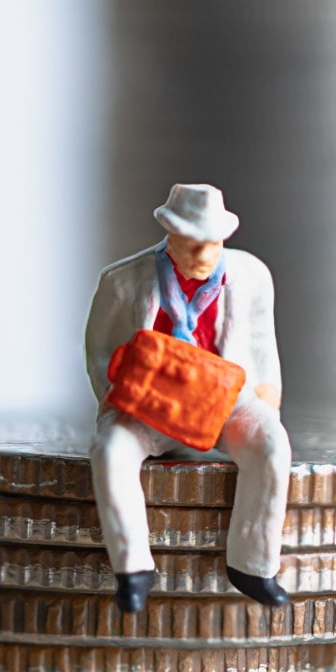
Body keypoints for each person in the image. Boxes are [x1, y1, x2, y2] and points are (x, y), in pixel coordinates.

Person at [83, 184, 291, 612]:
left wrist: (267, 394)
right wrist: (119, 391)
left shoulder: (251, 276)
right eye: (191, 244)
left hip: (226, 398)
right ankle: (133, 569)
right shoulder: (122, 281)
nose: (202, 256)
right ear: (169, 234)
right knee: (111, 450)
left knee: (271, 445)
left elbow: (261, 341)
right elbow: (99, 348)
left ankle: (253, 565)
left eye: (211, 244)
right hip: (150, 401)